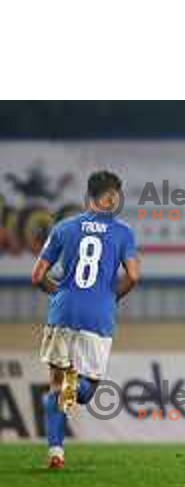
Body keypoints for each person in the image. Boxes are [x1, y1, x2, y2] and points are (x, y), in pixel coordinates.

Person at [31, 171, 140, 469]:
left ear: (88, 197)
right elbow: (133, 276)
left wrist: (60, 294)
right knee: (87, 390)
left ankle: (56, 452)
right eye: (116, 194)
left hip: (63, 312)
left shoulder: (64, 227)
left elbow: (37, 276)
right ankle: (72, 391)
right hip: (97, 315)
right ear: (111, 197)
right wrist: (112, 297)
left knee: (56, 384)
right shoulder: (123, 232)